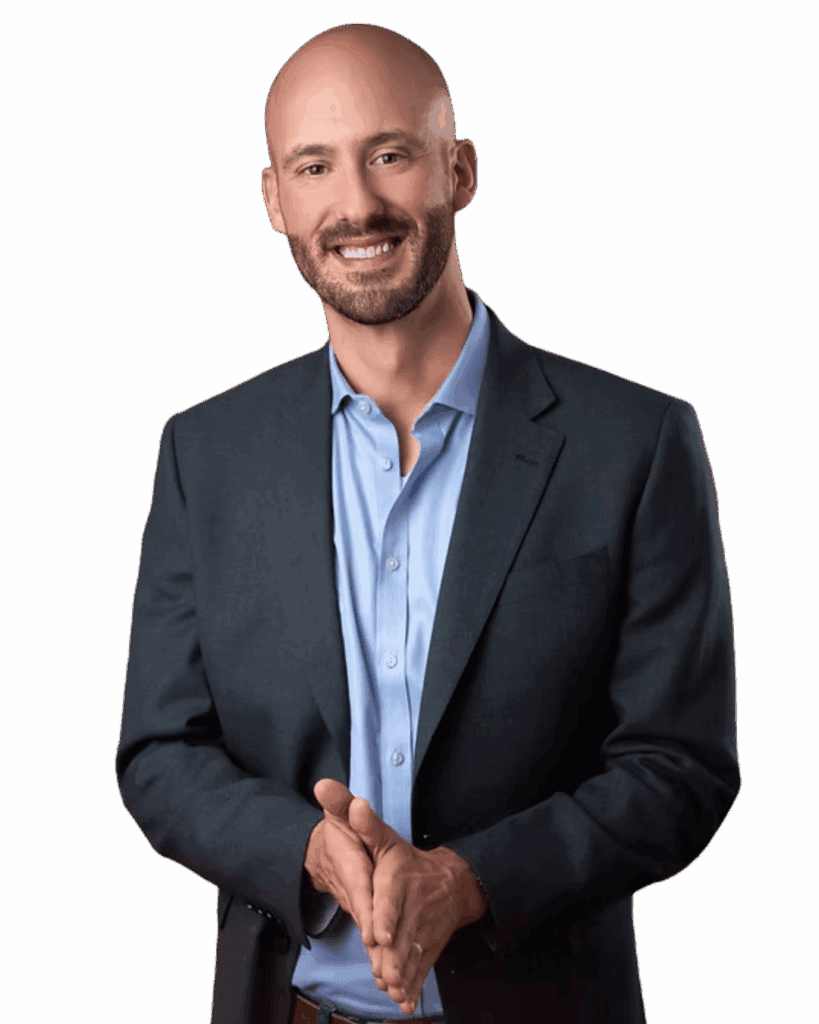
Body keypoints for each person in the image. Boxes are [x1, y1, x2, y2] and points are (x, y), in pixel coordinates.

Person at [116, 21, 740, 1024]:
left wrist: (468, 879)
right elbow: (159, 752)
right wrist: (304, 847)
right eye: (314, 166)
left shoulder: (637, 441)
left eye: (391, 155)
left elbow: (682, 765)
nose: (356, 203)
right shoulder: (207, 454)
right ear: (276, 200)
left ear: (461, 171)